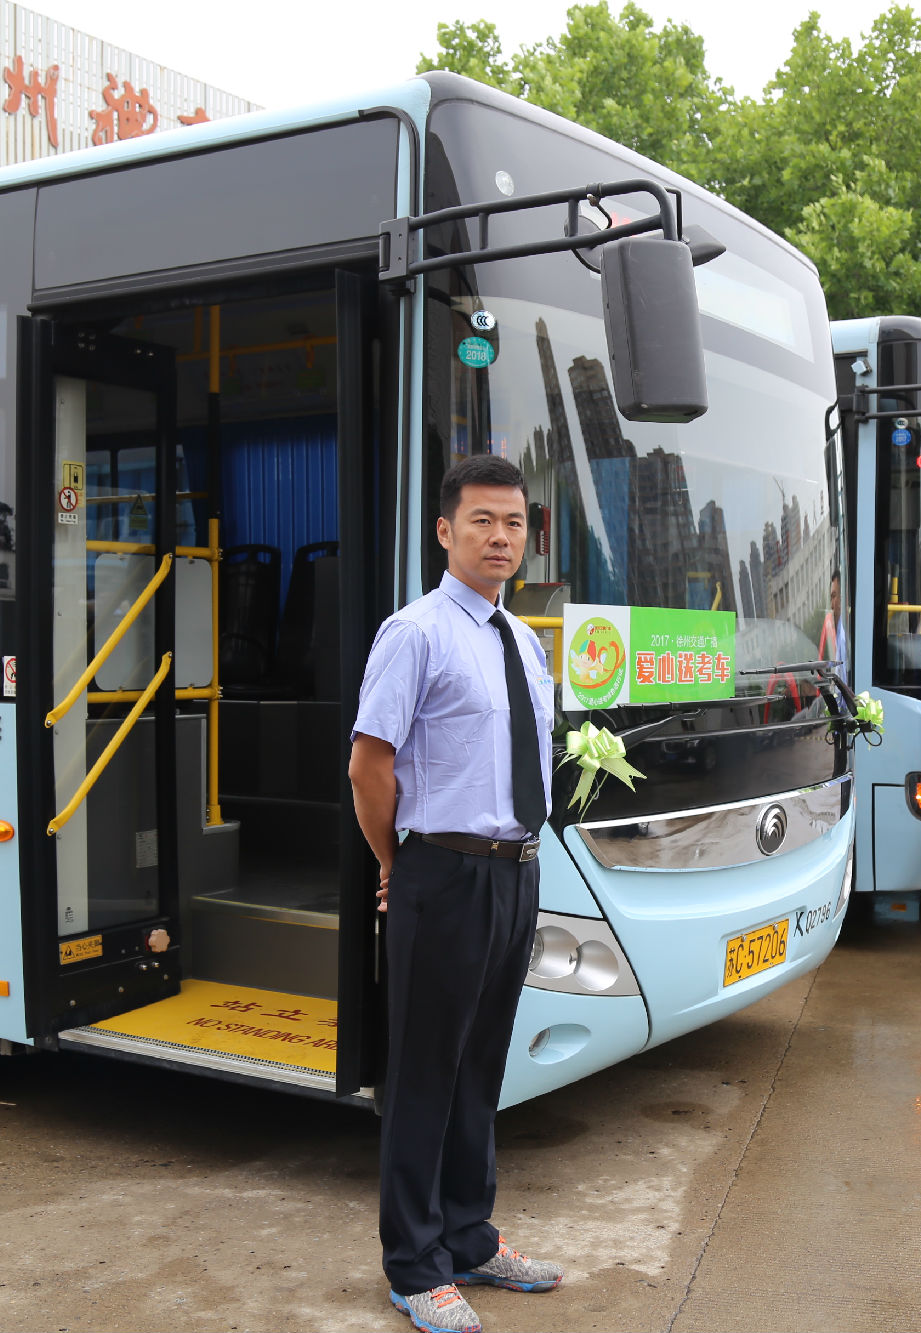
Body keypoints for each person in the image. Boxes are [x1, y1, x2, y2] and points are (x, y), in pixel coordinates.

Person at [348, 453, 564, 1333]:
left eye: (514, 522)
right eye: (482, 520)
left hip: (514, 872)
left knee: (481, 1067)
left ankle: (470, 1236)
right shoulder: (416, 632)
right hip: (441, 870)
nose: (500, 537)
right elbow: (369, 764)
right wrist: (394, 861)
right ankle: (414, 1264)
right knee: (424, 1074)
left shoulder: (524, 640)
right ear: (445, 530)